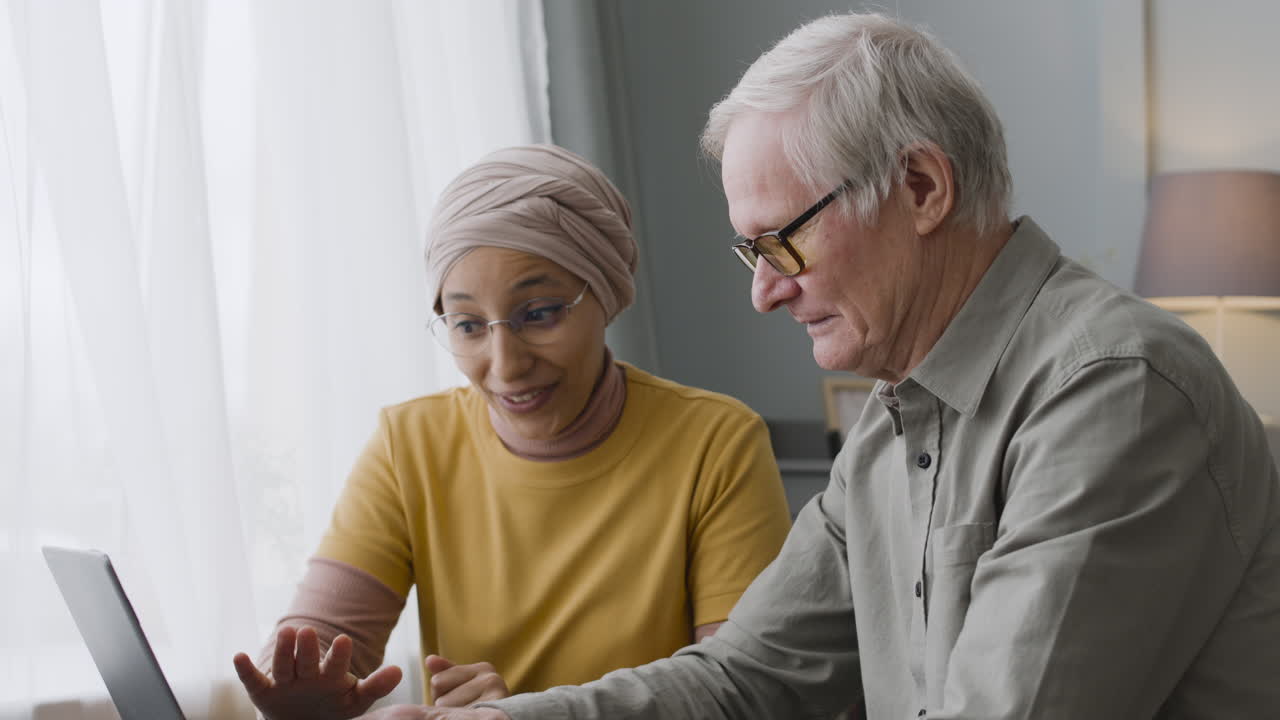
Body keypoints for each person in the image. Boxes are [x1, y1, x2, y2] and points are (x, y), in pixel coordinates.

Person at [355, 11, 1280, 720]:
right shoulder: (890, 422)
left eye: (781, 242)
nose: (763, 292)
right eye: (747, 253)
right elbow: (744, 679)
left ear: (922, 188)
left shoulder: (1113, 389)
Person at [230, 144, 793, 719]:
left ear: (607, 294)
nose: (504, 364)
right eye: (468, 325)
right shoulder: (410, 443)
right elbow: (325, 637)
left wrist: (528, 715)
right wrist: (303, 680)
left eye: (540, 312)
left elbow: (738, 696)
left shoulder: (716, 443)